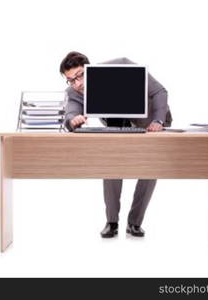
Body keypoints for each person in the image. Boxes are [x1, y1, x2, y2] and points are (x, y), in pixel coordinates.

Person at [59, 51, 173, 238]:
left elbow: (159, 91)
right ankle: (112, 222)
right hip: (118, 124)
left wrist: (158, 121)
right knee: (111, 163)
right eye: (71, 80)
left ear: (90, 69)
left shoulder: (123, 66)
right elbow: (71, 114)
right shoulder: (74, 92)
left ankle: (135, 223)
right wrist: (73, 121)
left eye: (80, 75)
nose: (77, 83)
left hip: (151, 120)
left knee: (149, 168)